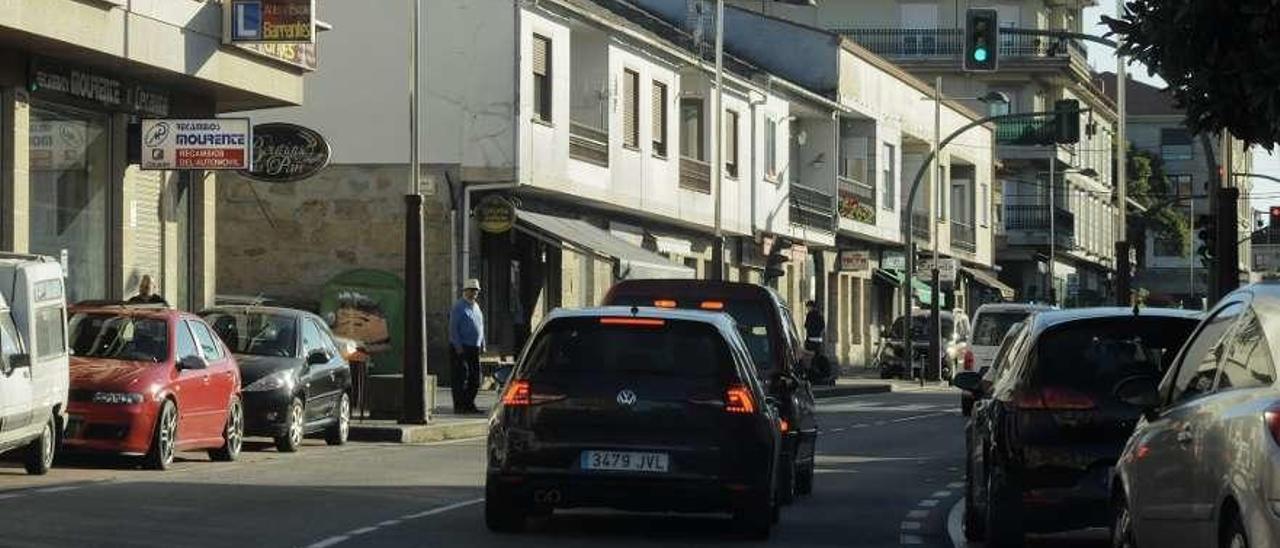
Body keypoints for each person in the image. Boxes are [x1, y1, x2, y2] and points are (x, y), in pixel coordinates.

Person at [448, 278, 485, 414]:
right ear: (465, 291)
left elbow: (481, 326)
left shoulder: (476, 307)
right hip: (461, 347)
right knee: (460, 377)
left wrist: (482, 343)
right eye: (471, 290)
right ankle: (460, 405)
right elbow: (453, 328)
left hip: (474, 347)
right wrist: (458, 346)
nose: (473, 293)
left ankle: (469, 403)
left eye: (476, 291)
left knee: (475, 377)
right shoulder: (458, 306)